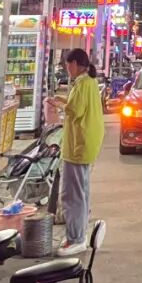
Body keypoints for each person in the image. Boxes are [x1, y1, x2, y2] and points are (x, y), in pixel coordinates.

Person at [46, 48, 105, 255]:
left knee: (72, 194)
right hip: (85, 144)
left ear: (75, 64)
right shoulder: (89, 81)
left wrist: (59, 105)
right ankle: (78, 234)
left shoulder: (82, 83)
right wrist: (63, 101)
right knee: (81, 192)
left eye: (67, 64)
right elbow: (77, 106)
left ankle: (76, 239)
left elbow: (76, 110)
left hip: (78, 146)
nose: (66, 68)